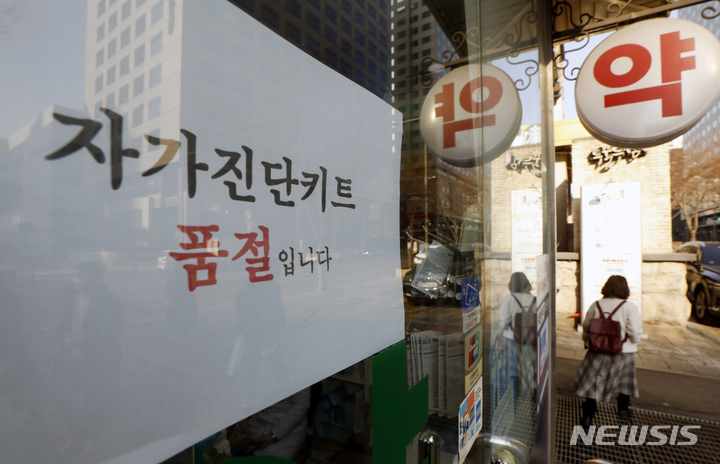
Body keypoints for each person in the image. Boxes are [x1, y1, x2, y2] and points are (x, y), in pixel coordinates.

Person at [573, 275, 643, 428]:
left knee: (595, 382)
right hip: (622, 352)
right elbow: (635, 332)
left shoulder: (596, 305)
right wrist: (632, 342)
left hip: (597, 351)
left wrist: (589, 343)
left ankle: (588, 415)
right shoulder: (629, 307)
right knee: (624, 383)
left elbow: (586, 327)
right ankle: (623, 410)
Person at [497, 272, 537, 396]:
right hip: (531, 338)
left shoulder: (509, 299)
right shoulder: (534, 299)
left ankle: (516, 391)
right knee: (529, 364)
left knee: (514, 366)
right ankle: (531, 390)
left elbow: (503, 321)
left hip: (512, 338)